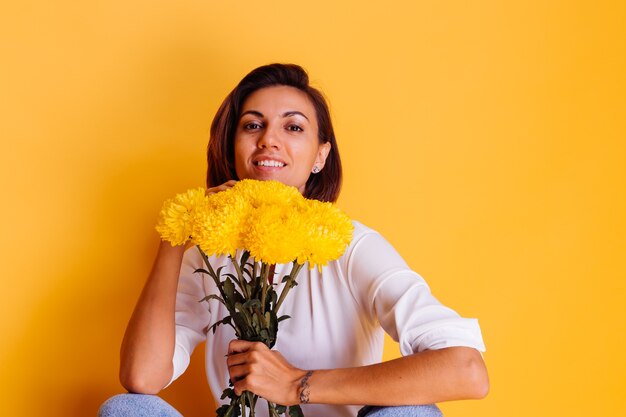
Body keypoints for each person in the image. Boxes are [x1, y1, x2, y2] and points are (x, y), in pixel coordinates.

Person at [99, 63, 489, 417]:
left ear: (320, 156)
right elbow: (142, 379)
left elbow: (466, 369)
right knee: (127, 409)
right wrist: (174, 237)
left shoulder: (352, 246)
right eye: (253, 125)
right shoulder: (208, 254)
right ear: (232, 147)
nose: (269, 140)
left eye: (294, 127)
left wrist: (296, 383)